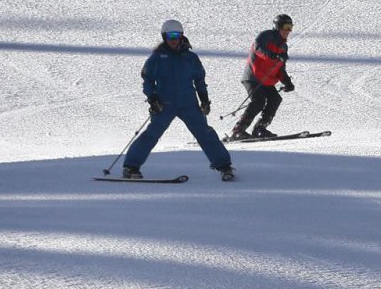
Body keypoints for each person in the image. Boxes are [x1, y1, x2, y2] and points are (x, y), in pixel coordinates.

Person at [124, 19, 234, 181]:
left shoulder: (190, 57)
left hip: (188, 103)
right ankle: (131, 167)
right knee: (152, 133)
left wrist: (204, 99)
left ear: (182, 36)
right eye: (170, 36)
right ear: (164, 37)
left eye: (176, 35)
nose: (173, 39)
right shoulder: (157, 58)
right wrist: (152, 99)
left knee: (204, 132)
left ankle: (224, 166)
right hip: (164, 104)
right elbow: (147, 79)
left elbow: (199, 80)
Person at [230, 14, 295, 140]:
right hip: (253, 77)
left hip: (266, 81)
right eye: (286, 27)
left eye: (290, 27)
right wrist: (274, 56)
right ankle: (238, 131)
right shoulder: (265, 36)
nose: (288, 31)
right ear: (277, 27)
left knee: (275, 99)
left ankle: (260, 128)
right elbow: (259, 49)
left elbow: (280, 68)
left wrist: (287, 82)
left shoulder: (283, 46)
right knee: (258, 101)